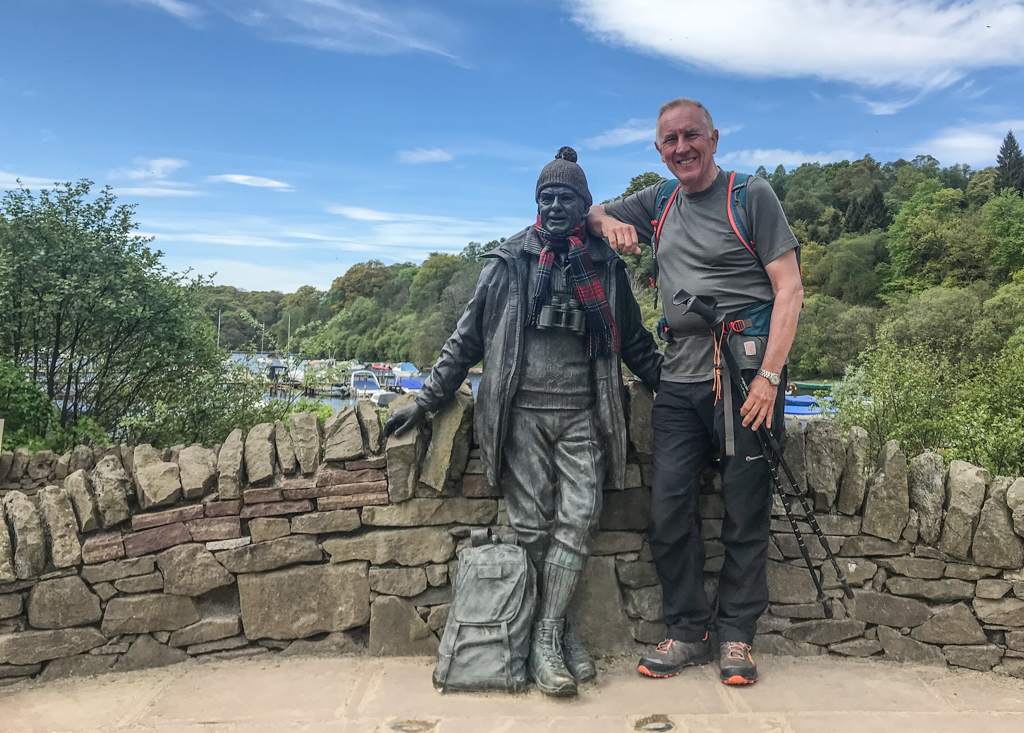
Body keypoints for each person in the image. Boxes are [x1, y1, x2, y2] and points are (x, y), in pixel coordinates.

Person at [385, 147, 662, 697]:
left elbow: (633, 341)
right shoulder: (508, 262)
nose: (555, 205)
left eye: (567, 197)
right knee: (533, 527)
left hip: (584, 411)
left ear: (586, 205)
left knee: (581, 517)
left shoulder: (606, 266)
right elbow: (466, 338)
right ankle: (554, 634)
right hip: (521, 412)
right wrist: (430, 397)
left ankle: (548, 629)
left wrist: (677, 390)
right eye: (546, 197)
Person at [587, 98, 803, 686]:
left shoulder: (750, 195)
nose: (681, 147)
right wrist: (607, 223)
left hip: (744, 376)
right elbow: (588, 211)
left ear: (714, 138)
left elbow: (790, 290)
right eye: (669, 141)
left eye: (691, 137)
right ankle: (687, 632)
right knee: (668, 510)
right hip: (678, 379)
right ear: (658, 150)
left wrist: (770, 378)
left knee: (745, 507)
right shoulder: (659, 200)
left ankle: (736, 637)